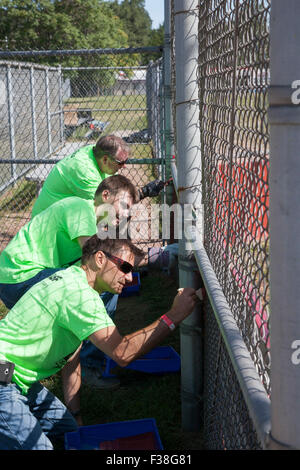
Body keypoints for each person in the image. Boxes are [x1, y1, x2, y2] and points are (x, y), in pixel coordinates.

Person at [0, 236, 197, 450]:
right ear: (100, 258)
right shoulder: (81, 296)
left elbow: (71, 357)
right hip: (4, 380)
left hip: (17, 377)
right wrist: (174, 316)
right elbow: (122, 353)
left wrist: (76, 415)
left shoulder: (72, 279)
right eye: (125, 267)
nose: (130, 277)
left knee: (68, 431)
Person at [0, 174, 136, 310]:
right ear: (106, 195)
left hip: (19, 278)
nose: (126, 214)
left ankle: (97, 326)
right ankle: (100, 328)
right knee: (104, 276)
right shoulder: (81, 208)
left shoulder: (98, 225)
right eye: (124, 205)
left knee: (107, 274)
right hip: (19, 276)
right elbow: (94, 260)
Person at [31, 134, 166, 218]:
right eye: (121, 162)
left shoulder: (97, 154)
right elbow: (110, 208)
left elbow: (116, 195)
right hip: (47, 224)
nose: (124, 166)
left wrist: (143, 191)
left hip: (64, 217)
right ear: (106, 159)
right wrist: (143, 193)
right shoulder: (84, 171)